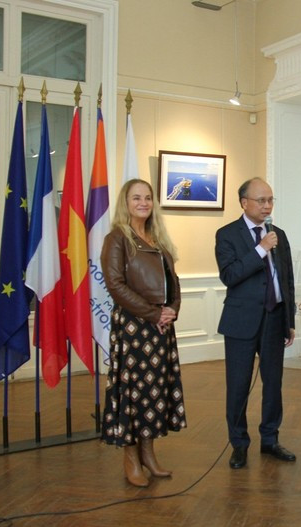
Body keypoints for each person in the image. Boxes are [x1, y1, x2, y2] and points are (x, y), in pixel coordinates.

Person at [100, 178, 186, 487]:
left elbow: (172, 281)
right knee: (133, 394)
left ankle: (149, 454)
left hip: (160, 328)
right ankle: (131, 457)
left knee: (155, 392)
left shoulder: (158, 239)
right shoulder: (117, 239)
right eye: (136, 198)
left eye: (148, 198)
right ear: (126, 203)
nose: (143, 203)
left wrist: (172, 308)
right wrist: (153, 313)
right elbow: (115, 285)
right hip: (135, 327)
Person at [215, 177, 297, 469]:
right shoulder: (227, 234)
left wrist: (289, 320)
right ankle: (239, 444)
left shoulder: (280, 235)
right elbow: (230, 275)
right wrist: (261, 248)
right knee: (237, 386)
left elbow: (286, 279)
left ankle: (270, 439)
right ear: (244, 202)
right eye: (261, 200)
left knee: (273, 384)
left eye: (270, 200)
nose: (267, 206)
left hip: (275, 320)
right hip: (241, 321)